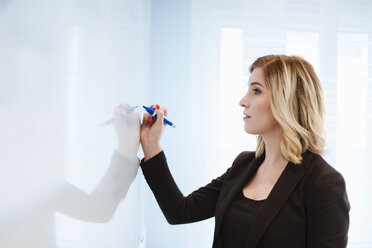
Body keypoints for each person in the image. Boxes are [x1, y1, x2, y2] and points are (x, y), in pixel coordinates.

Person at [139, 55, 350, 248]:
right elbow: (179, 211)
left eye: (256, 90)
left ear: (285, 101)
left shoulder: (323, 183)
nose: (243, 101)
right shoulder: (244, 165)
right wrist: (151, 144)